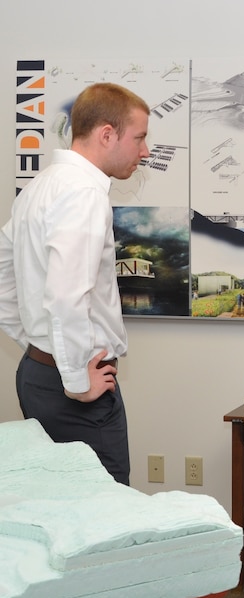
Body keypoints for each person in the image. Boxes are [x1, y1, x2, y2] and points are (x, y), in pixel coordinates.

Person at [0, 82, 151, 486]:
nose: (145, 151)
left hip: (38, 376)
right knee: (108, 508)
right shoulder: (84, 194)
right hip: (74, 390)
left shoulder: (40, 186)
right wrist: (76, 380)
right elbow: (68, 296)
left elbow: (3, 273)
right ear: (107, 134)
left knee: (59, 502)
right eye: (139, 138)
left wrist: (36, 348)